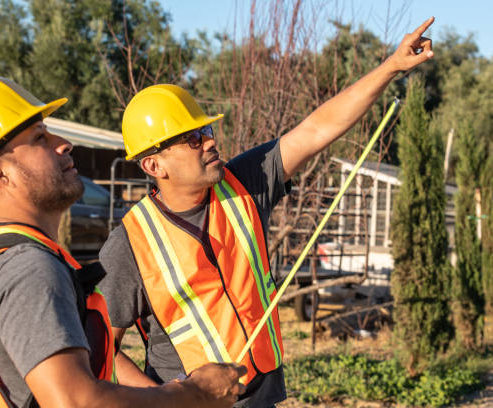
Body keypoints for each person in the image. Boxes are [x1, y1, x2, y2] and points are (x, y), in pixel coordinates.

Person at [99, 17, 436, 407]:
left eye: (207, 132)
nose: (210, 143)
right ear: (154, 166)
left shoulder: (244, 181)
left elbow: (315, 130)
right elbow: (102, 345)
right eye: (193, 139)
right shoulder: (130, 242)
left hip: (264, 398)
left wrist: (391, 66)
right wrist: (166, 397)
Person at [0, 76, 246, 408]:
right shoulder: (24, 267)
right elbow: (75, 402)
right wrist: (194, 394)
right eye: (40, 137)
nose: (63, 142)